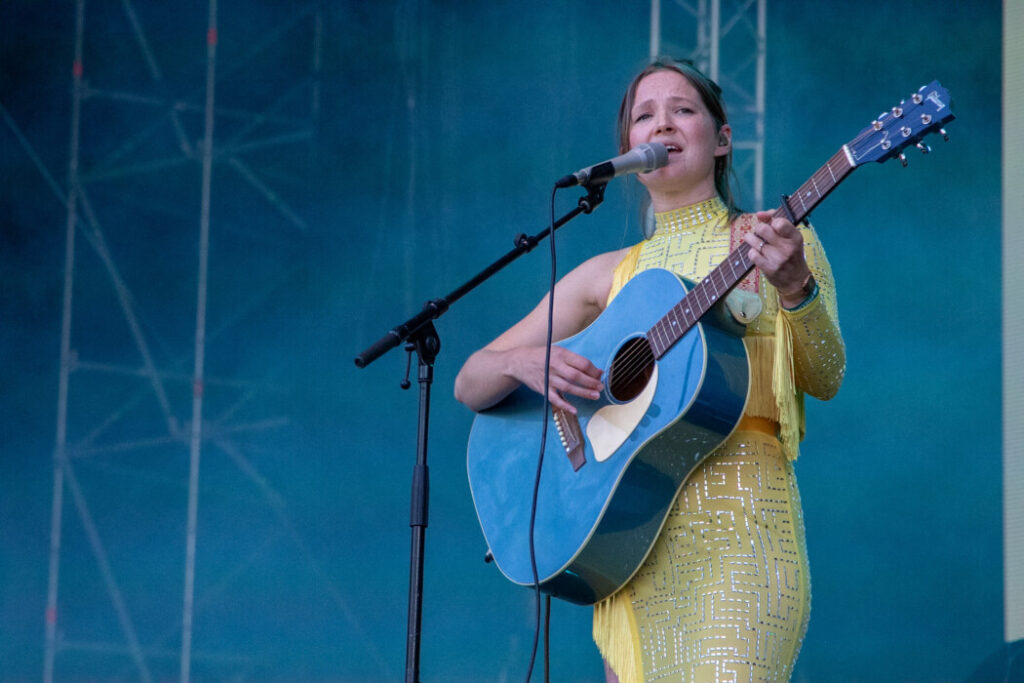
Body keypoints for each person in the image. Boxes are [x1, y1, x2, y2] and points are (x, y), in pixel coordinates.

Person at [454, 58, 845, 682]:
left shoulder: (773, 240)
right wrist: (523, 361)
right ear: (628, 150)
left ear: (721, 139)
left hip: (745, 534)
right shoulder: (607, 275)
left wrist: (797, 287)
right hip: (627, 546)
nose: (662, 124)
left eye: (682, 110)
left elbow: (825, 377)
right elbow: (470, 382)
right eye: (644, 116)